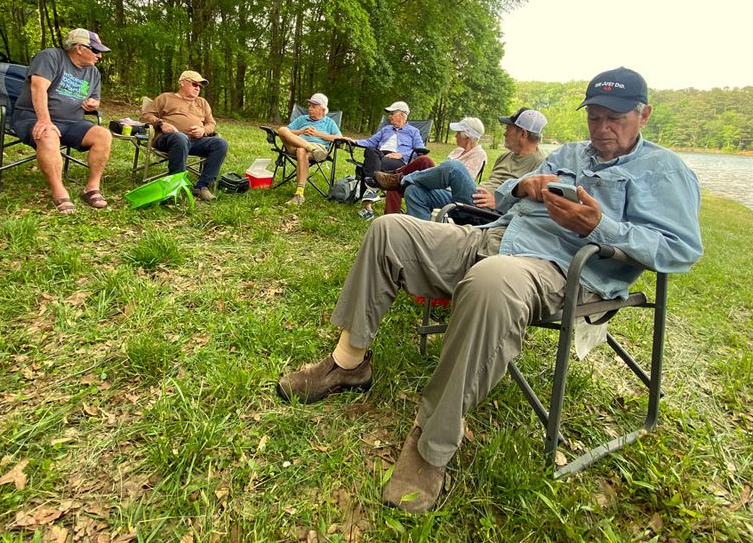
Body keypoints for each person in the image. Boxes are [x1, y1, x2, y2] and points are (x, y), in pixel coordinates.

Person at [276, 67, 704, 513]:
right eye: (594, 117)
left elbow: (682, 250)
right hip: (495, 237)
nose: (602, 127)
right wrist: (523, 185)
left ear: (644, 114)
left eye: (614, 117)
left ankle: (431, 447)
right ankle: (348, 363)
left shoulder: (665, 171)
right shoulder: (572, 152)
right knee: (390, 230)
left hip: (560, 271)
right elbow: (500, 199)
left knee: (491, 279)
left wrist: (603, 227)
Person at [370, 110, 547, 220]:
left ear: (522, 134)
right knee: (414, 191)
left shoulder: (541, 164)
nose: (504, 133)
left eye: (508, 129)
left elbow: (535, 205)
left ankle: (400, 180)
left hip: (492, 211)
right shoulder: (504, 157)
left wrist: (501, 201)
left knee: (454, 167)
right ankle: (422, 235)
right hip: (474, 197)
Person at [12, 28, 113, 214]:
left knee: (103, 135)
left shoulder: (93, 73)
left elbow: (96, 99)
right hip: (32, 117)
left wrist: (93, 103)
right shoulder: (50, 57)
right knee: (47, 133)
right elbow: (38, 87)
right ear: (79, 48)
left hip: (72, 122)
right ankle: (59, 191)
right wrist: (44, 120)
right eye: (96, 50)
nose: (99, 56)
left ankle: (91, 189)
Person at [140, 71, 229, 201]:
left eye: (199, 86)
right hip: (169, 140)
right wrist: (161, 123)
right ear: (182, 83)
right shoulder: (166, 98)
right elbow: (145, 116)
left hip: (195, 141)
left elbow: (212, 124)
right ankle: (174, 186)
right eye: (194, 84)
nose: (198, 88)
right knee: (180, 138)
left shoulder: (202, 102)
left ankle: (202, 186)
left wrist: (203, 130)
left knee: (221, 143)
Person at [350, 101, 424, 220]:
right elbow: (370, 142)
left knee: (370, 163)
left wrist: (402, 154)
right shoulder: (386, 129)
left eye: (392, 113)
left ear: (402, 115)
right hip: (379, 155)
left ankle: (368, 202)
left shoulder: (413, 131)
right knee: (370, 151)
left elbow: (421, 149)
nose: (389, 116)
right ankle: (371, 190)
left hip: (396, 161)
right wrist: (354, 141)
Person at [275, 93, 342, 206]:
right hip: (296, 146)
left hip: (318, 148)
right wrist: (301, 131)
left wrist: (318, 134)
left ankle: (299, 194)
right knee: (282, 130)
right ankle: (308, 147)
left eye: (313, 106)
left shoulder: (329, 122)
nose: (310, 108)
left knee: (302, 151)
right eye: (309, 105)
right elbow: (286, 131)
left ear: (322, 109)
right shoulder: (302, 119)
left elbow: (339, 137)